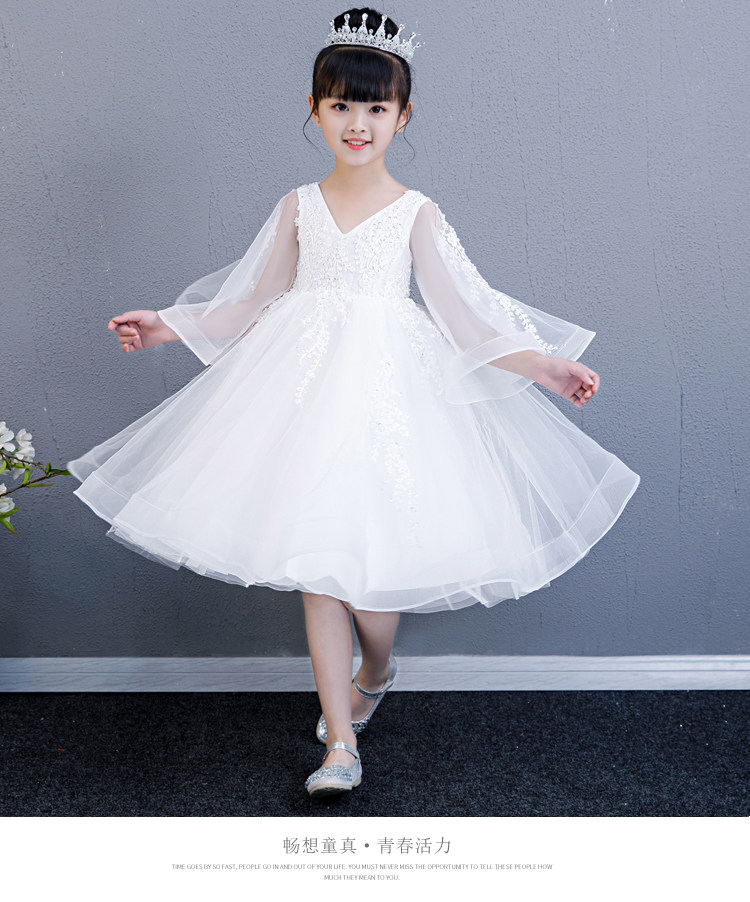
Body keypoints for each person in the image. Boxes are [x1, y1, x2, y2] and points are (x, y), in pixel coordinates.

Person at [67, 7, 640, 799]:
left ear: (403, 116)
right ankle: (340, 742)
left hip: (390, 399)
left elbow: (466, 318)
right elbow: (250, 302)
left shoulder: (415, 212)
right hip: (300, 395)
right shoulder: (297, 205)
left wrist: (544, 365)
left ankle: (377, 666)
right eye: (340, 105)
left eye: (376, 107)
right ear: (314, 109)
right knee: (320, 567)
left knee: (370, 581)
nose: (357, 123)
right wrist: (166, 324)